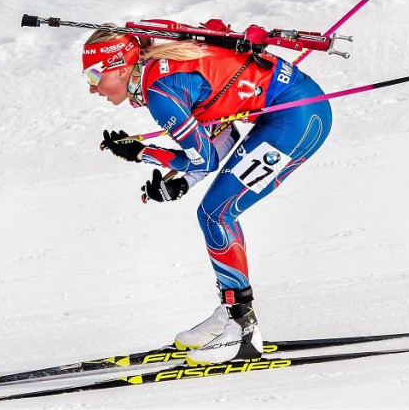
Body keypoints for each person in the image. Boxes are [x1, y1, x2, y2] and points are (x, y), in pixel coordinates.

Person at [83, 24, 332, 365]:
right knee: (214, 212)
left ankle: (243, 329)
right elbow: (223, 132)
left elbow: (206, 158)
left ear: (119, 65)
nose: (92, 87)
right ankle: (231, 313)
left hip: (297, 120)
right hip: (296, 111)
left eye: (94, 75)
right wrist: (180, 183)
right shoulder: (161, 73)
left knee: (217, 214)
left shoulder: (160, 92)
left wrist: (143, 152)